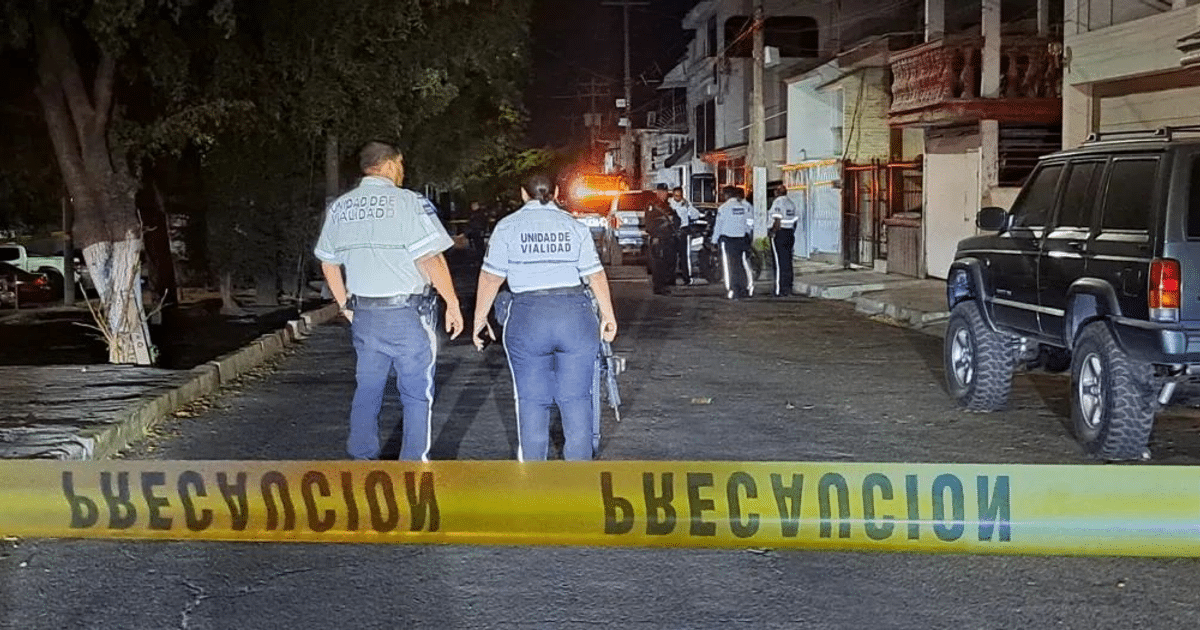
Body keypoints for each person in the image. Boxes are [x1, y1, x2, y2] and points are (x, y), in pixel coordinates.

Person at [313, 141, 464, 461]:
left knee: (367, 389)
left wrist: (344, 305)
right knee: (415, 394)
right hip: (407, 315)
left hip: (365, 314)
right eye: (402, 166)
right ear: (392, 165)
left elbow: (327, 261)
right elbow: (431, 259)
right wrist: (451, 302)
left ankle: (362, 458)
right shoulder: (409, 202)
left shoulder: (341, 207)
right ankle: (411, 464)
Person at [472, 172, 618, 461]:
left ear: (523, 194)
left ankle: (535, 478)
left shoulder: (508, 227)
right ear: (557, 191)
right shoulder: (573, 226)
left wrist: (479, 319)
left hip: (528, 317)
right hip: (574, 315)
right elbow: (595, 275)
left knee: (531, 401)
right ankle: (579, 476)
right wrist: (608, 316)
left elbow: (490, 277)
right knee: (577, 399)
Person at [711, 185, 755, 300]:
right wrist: (748, 234)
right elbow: (750, 223)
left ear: (727, 195)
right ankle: (746, 289)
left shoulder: (724, 208)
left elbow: (718, 227)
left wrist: (714, 241)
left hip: (728, 240)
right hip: (742, 239)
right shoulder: (744, 207)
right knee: (742, 264)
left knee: (729, 266)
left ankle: (733, 291)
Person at [644, 183, 681, 295]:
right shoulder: (652, 206)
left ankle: (665, 284)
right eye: (661, 192)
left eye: (665, 192)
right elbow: (649, 224)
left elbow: (676, 219)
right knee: (659, 264)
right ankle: (659, 287)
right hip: (658, 239)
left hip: (668, 239)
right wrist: (657, 233)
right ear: (657, 192)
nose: (663, 194)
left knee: (668, 262)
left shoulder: (668, 206)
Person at [768, 182, 799, 297]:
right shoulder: (791, 203)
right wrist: (790, 232)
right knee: (787, 262)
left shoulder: (778, 202)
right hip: (790, 234)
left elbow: (777, 220)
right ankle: (788, 287)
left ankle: (779, 289)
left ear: (777, 192)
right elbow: (795, 221)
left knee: (779, 262)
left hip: (780, 234)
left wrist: (772, 232)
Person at [669, 186, 701, 285]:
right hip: (672, 232)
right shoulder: (669, 204)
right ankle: (671, 279)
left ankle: (687, 278)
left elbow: (696, 215)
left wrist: (688, 207)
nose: (678, 198)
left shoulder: (686, 204)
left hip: (683, 231)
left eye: (679, 195)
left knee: (685, 257)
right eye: (676, 195)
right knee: (671, 257)